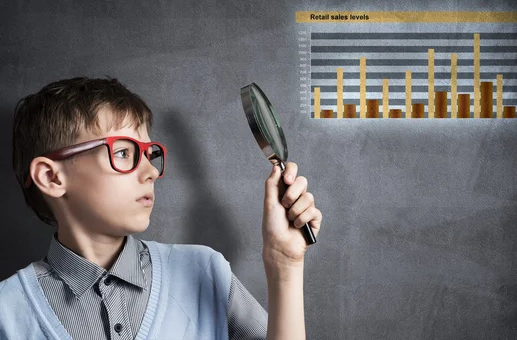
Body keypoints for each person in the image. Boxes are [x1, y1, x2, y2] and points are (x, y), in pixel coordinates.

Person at [0, 77, 322, 340]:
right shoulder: (7, 311)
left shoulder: (205, 270)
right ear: (51, 177)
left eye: (149, 153)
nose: (152, 171)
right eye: (124, 153)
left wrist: (285, 266)